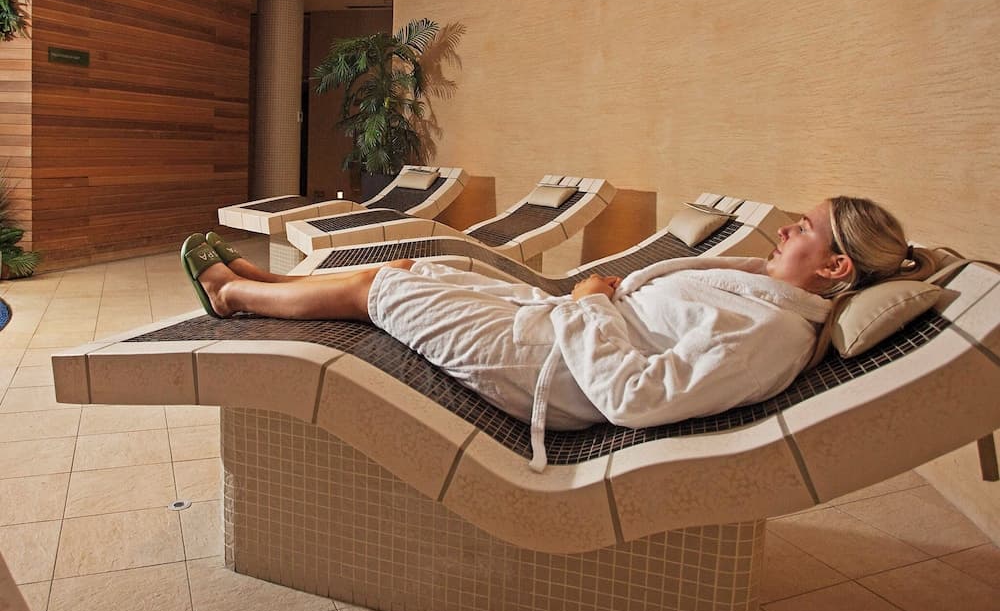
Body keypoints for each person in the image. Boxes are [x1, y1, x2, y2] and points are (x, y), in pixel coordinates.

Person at [181, 196, 935, 469]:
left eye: (802, 228)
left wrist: (589, 300)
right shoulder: (766, 293)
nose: (785, 229)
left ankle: (234, 296)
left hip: (555, 369)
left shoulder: (769, 335)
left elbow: (636, 397)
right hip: (566, 326)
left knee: (383, 288)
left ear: (835, 266)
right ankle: (268, 280)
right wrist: (592, 299)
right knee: (412, 264)